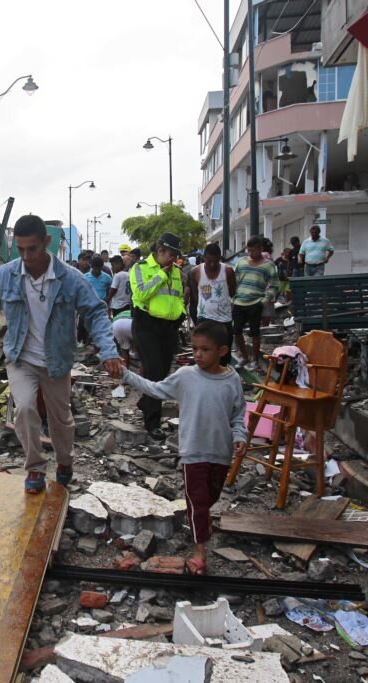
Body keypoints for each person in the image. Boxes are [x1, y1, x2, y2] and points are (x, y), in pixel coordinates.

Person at [0, 215, 123, 493]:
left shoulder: (70, 279)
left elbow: (95, 312)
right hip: (21, 358)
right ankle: (35, 467)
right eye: (20, 249)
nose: (26, 256)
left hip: (57, 360)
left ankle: (65, 461)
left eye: (32, 248)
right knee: (24, 410)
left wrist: (109, 351)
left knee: (60, 419)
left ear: (46, 242)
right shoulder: (6, 275)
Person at [122, 321, 247, 575]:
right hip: (193, 452)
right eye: (194, 348)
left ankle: (201, 526)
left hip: (220, 453)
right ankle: (200, 551)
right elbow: (155, 389)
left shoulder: (232, 380)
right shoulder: (186, 376)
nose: (198, 355)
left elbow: (237, 415)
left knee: (209, 499)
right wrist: (126, 375)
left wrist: (240, 436)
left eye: (205, 350)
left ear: (222, 351)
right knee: (197, 502)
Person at [130, 232, 187, 440]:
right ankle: (152, 422)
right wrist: (162, 274)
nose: (174, 259)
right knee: (154, 372)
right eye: (171, 254)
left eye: (176, 255)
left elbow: (178, 297)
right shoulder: (141, 268)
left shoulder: (177, 271)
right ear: (160, 250)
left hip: (169, 327)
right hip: (146, 325)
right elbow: (141, 293)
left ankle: (145, 402)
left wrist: (181, 314)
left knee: (162, 373)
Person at [232, 235, 278, 371]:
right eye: (249, 250)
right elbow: (234, 280)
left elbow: (275, 285)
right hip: (239, 301)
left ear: (261, 248)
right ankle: (245, 357)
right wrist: (233, 297)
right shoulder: (241, 262)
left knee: (255, 333)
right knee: (236, 331)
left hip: (256, 302)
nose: (252, 253)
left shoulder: (268, 265)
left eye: (254, 250)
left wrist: (265, 300)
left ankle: (255, 360)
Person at [188, 243, 236, 366]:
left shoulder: (228, 271)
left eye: (216, 261)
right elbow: (195, 295)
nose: (212, 264)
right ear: (204, 257)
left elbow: (232, 292)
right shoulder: (195, 272)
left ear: (220, 258)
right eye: (209, 261)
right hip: (204, 318)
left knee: (223, 355)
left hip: (224, 319)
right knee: (204, 353)